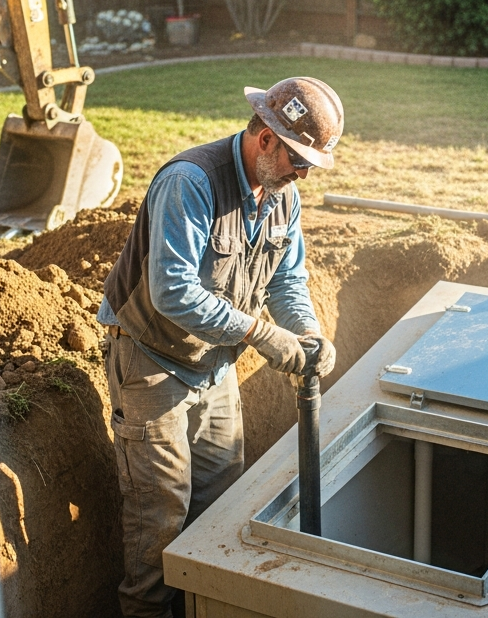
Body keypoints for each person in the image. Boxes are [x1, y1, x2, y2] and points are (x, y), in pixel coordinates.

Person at [97, 76, 344, 617]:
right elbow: (172, 292)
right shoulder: (191, 182)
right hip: (150, 359)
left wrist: (306, 331)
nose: (302, 172)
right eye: (297, 158)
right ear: (265, 139)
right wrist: (260, 334)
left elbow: (286, 280)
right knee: (159, 519)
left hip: (214, 364)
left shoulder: (283, 197)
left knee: (219, 505)